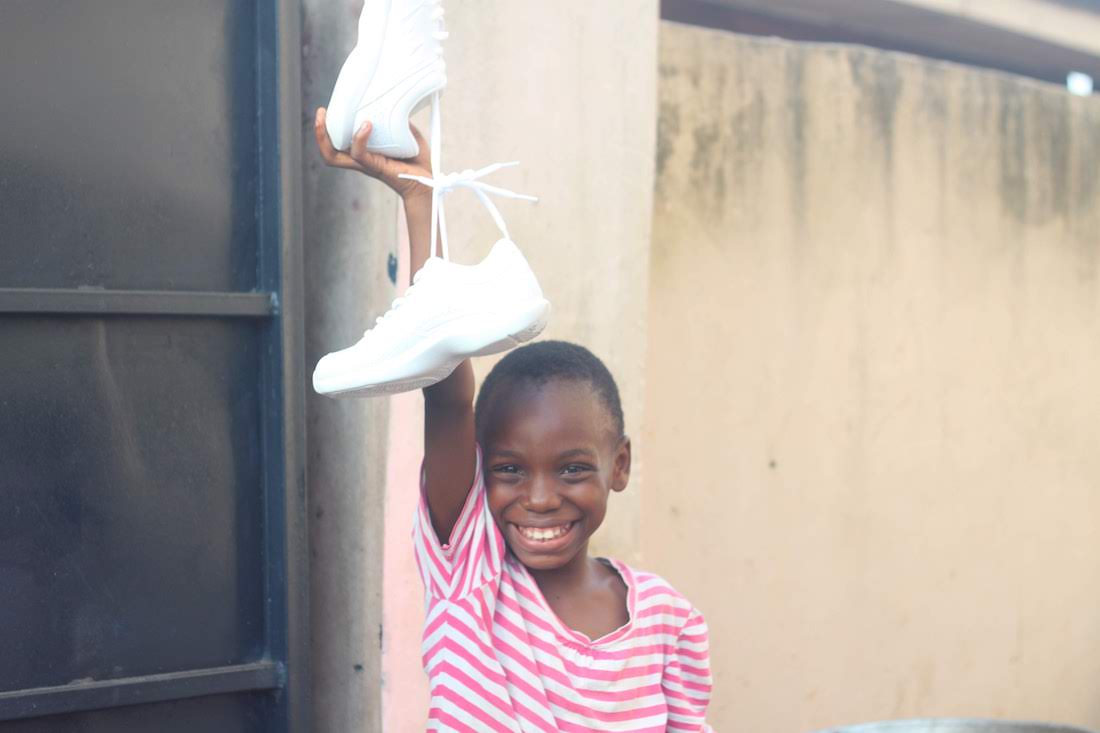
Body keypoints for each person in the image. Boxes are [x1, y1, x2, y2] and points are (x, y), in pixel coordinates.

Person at [315, 108, 714, 732]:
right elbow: (444, 387)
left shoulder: (669, 619)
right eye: (507, 468)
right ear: (480, 469)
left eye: (573, 468)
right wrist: (423, 201)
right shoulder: (470, 580)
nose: (538, 498)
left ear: (621, 465)